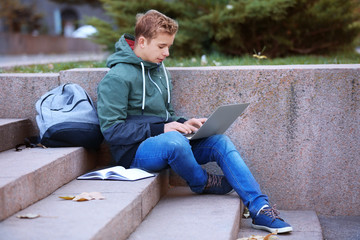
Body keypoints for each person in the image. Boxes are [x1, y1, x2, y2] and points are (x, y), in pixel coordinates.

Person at [97, 9, 293, 234]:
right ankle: (202, 182)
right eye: (162, 46)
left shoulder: (160, 71)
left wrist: (185, 123)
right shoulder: (116, 78)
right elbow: (112, 131)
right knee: (174, 141)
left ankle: (260, 208)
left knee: (219, 141)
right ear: (142, 41)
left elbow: (166, 115)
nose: (167, 53)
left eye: (169, 46)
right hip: (134, 153)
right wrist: (163, 128)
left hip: (167, 141)